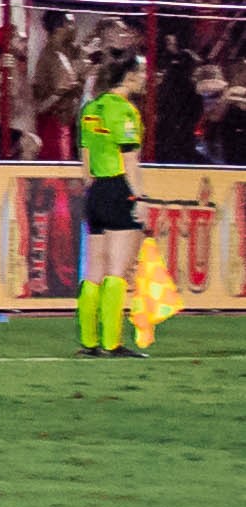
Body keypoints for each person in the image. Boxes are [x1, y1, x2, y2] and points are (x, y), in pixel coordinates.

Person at [77, 44, 155, 355]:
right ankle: (112, 342)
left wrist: (95, 189)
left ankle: (88, 341)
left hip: (95, 192)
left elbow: (85, 163)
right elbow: (130, 160)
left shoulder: (91, 109)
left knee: (93, 270)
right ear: (131, 76)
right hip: (119, 188)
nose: (146, 78)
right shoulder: (124, 111)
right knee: (118, 271)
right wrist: (139, 197)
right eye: (143, 72)